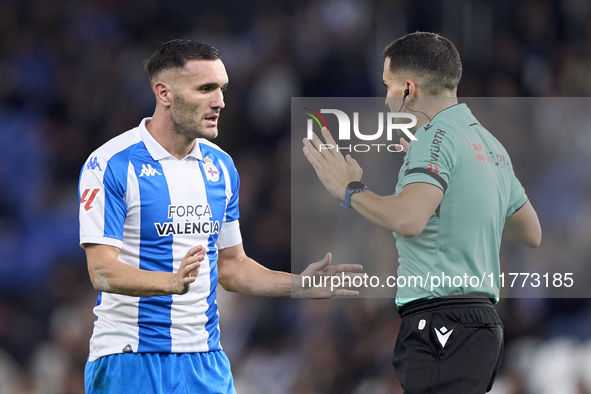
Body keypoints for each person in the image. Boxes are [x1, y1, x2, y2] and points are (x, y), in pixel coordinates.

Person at [79, 39, 361, 394]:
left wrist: (298, 284)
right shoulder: (111, 164)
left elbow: (231, 267)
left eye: (222, 89)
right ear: (164, 93)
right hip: (132, 358)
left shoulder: (221, 167)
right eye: (206, 89)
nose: (220, 102)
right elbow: (101, 270)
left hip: (206, 361)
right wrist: (169, 282)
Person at [302, 32, 542, 393]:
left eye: (387, 86)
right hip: (483, 326)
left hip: (441, 321)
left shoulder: (433, 137)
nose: (385, 98)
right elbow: (530, 231)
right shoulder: (490, 144)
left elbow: (408, 220)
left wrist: (350, 190)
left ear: (408, 89)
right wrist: (450, 194)